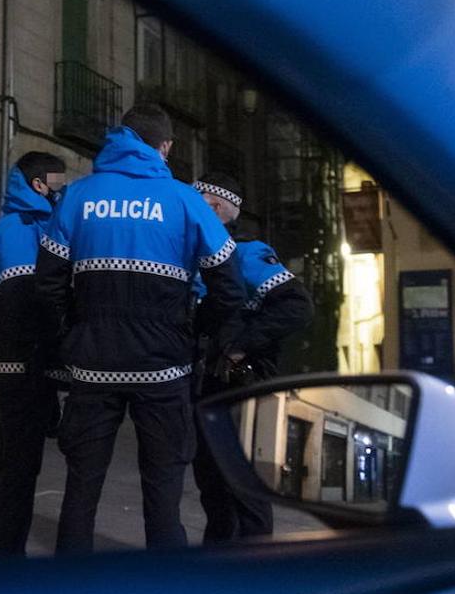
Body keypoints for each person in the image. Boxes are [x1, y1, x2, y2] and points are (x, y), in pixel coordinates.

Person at [36, 103, 246, 555]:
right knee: (164, 493)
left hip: (92, 364)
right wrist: (196, 334)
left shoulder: (77, 196)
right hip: (164, 368)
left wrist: (71, 335)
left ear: (120, 138)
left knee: (81, 489)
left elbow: (47, 285)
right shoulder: (186, 201)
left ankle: (71, 583)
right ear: (164, 147)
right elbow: (229, 288)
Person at [191, 171, 315, 543]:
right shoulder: (201, 252)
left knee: (244, 487)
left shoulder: (245, 252)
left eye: (197, 204)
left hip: (241, 383)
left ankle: (255, 562)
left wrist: (240, 345)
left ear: (214, 207)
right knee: (212, 485)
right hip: (208, 383)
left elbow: (297, 306)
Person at [0, 151, 68, 558]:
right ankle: (10, 552)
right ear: (38, 184)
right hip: (23, 363)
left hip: (30, 361)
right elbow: (21, 302)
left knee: (22, 460)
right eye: (58, 183)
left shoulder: (31, 225)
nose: (62, 190)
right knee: (17, 463)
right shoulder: (18, 228)